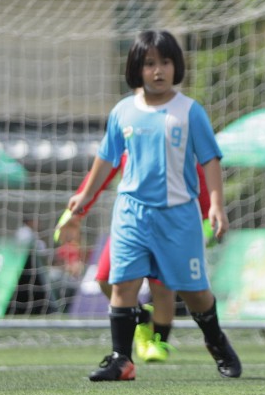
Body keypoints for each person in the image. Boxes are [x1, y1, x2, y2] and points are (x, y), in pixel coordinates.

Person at [67, 29, 241, 382]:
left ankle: (216, 341)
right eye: (149, 64)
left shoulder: (190, 111)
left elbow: (210, 160)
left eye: (165, 62)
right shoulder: (122, 112)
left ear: (177, 66)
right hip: (131, 212)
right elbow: (107, 157)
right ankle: (121, 359)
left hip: (179, 216)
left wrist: (217, 206)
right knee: (123, 286)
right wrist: (84, 196)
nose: (158, 71)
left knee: (195, 293)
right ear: (136, 68)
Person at [56, 150, 214, 363]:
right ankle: (141, 317)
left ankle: (159, 341)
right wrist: (75, 213)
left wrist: (207, 219)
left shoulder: (175, 144)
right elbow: (98, 176)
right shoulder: (123, 142)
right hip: (130, 224)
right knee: (104, 278)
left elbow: (199, 178)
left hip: (169, 226)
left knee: (162, 287)